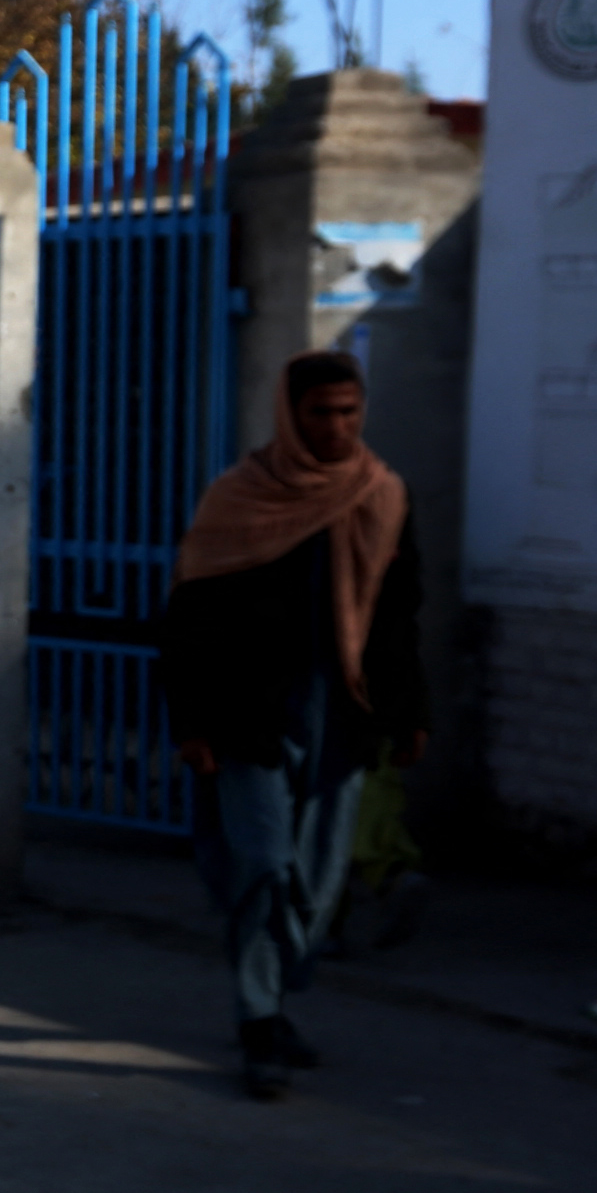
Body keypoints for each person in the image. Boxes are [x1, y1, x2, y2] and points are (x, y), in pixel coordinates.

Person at [161, 350, 427, 1101]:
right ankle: (258, 1020)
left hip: (340, 718)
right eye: (321, 413)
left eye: (349, 412)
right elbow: (190, 621)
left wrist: (410, 713)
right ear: (290, 414)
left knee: (314, 879)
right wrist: (191, 722)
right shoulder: (237, 499)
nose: (337, 427)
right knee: (263, 866)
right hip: (248, 716)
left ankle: (274, 1001)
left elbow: (401, 615)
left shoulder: (382, 495)